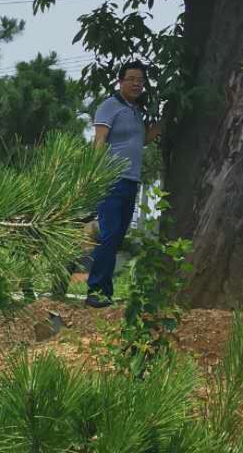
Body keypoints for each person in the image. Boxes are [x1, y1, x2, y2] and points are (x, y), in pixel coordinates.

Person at [83, 61, 161, 307]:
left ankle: (105, 291)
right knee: (109, 235)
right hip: (112, 179)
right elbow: (99, 142)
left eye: (140, 80)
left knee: (117, 236)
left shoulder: (136, 111)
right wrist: (94, 177)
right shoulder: (109, 106)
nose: (137, 84)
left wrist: (165, 121)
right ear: (120, 82)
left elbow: (142, 140)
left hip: (131, 181)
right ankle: (95, 292)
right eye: (131, 79)